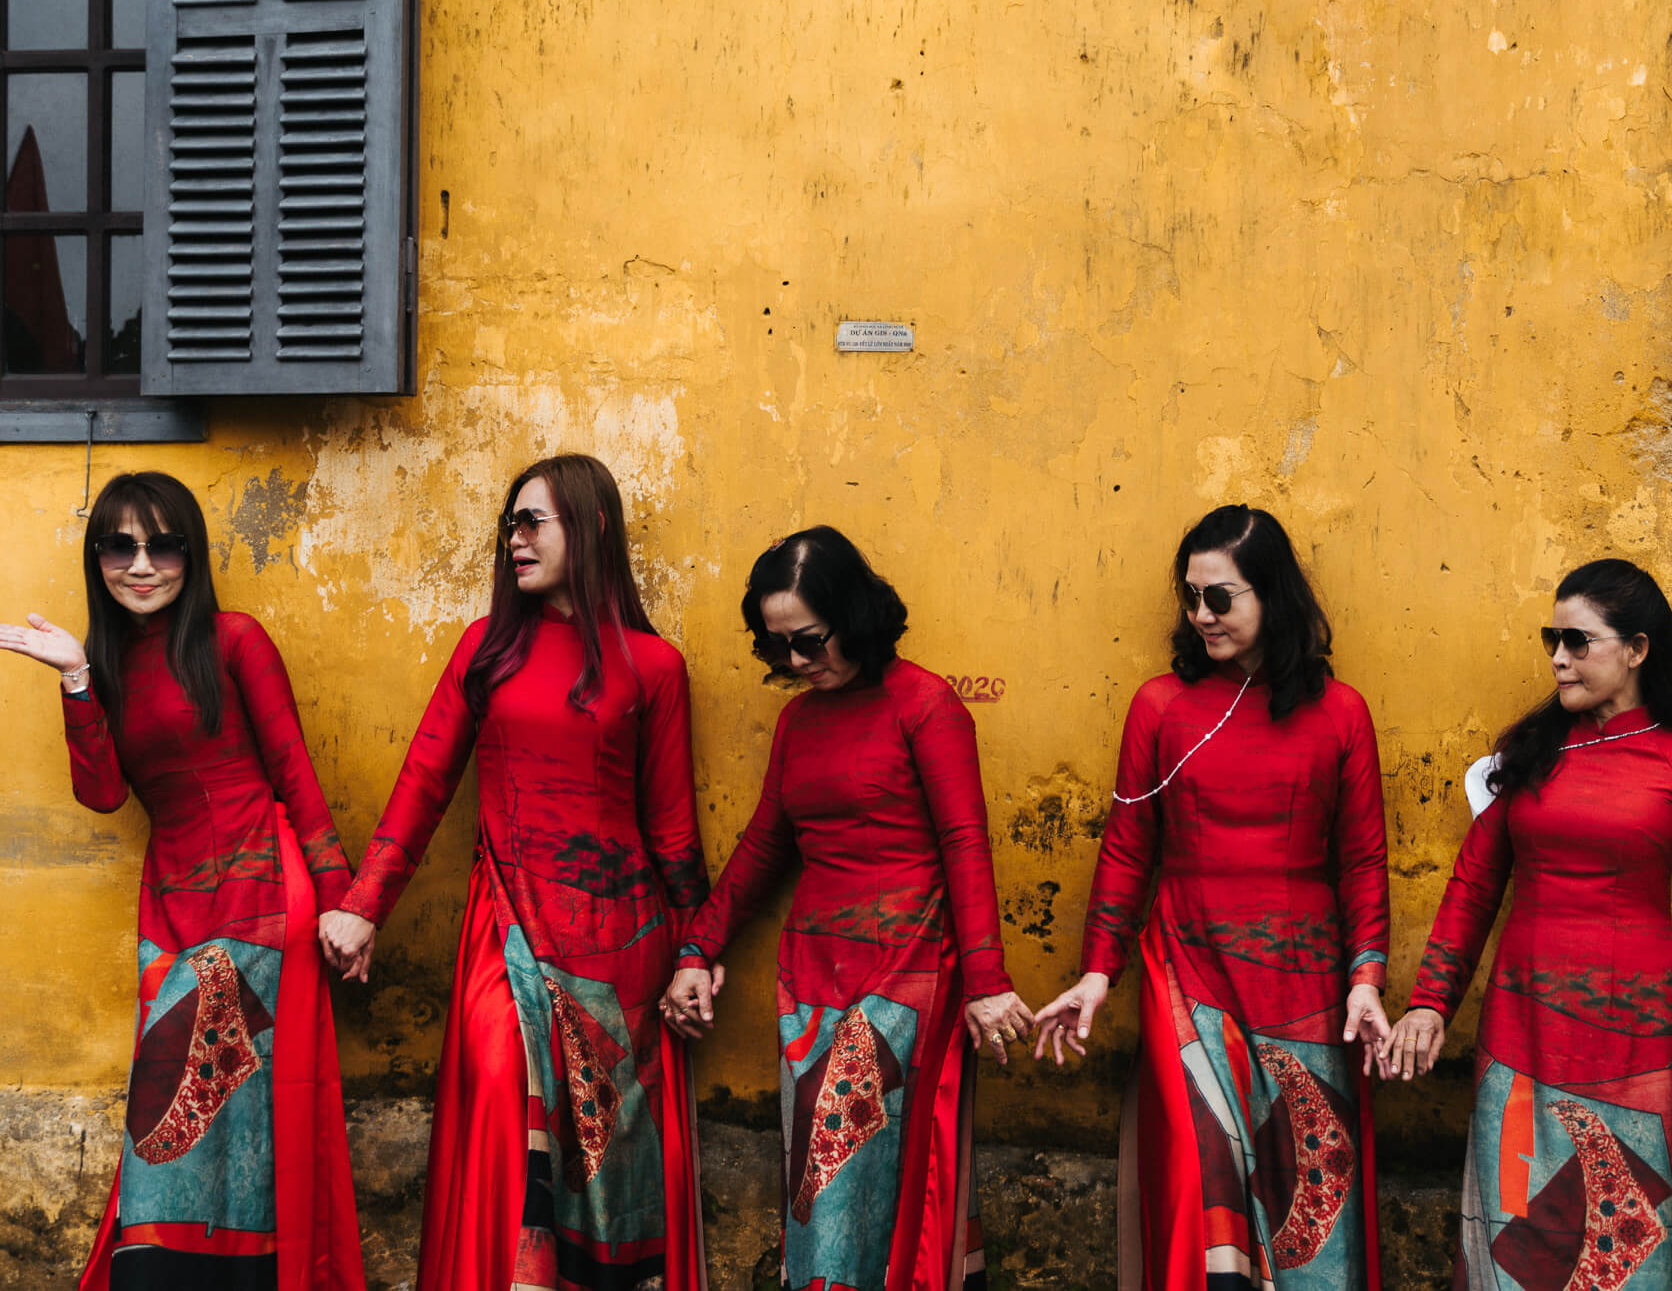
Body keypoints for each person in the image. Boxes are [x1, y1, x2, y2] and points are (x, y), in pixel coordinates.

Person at [318, 454, 707, 1291]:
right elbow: (424, 781)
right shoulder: (486, 650)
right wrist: (365, 904)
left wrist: (696, 952)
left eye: (534, 521)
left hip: (623, 946)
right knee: (501, 1084)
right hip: (509, 929)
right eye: (511, 522)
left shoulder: (655, 665)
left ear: (593, 528)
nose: (515, 538)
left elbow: (673, 830)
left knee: (606, 1156)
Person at [0, 471, 365, 1291]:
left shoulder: (234, 639)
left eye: (162, 543)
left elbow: (296, 777)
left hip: (262, 904)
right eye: (120, 545)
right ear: (97, 558)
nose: (141, 564)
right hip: (169, 914)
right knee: (174, 1124)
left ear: (189, 553)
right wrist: (73, 677)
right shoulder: (104, 662)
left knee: (222, 1124)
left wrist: (348, 905)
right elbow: (102, 793)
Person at [1033, 504, 1391, 1290]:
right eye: (1191, 597)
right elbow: (1128, 848)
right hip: (1187, 976)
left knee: (1311, 1196)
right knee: (1207, 1188)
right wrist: (1099, 972)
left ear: (1273, 596)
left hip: (1307, 986)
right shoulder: (1161, 706)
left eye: (1220, 597)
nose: (1201, 615)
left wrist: (1367, 978)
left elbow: (1362, 860)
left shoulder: (1340, 713)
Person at [669, 526, 1032, 1291]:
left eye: (809, 640)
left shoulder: (927, 706)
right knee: (816, 1183)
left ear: (853, 614)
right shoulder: (799, 722)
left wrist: (989, 979)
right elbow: (764, 849)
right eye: (778, 649)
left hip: (904, 975)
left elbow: (966, 842)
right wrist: (694, 951)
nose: (797, 663)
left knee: (846, 1174)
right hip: (810, 977)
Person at [1380, 558, 1672, 1291]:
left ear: (1637, 648)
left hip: (1640, 1052)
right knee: (1514, 1253)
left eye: (1578, 640)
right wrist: (1429, 1001)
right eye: (1552, 638)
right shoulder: (1532, 755)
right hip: (1520, 1042)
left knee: (1629, 1253)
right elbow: (1474, 886)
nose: (1557, 657)